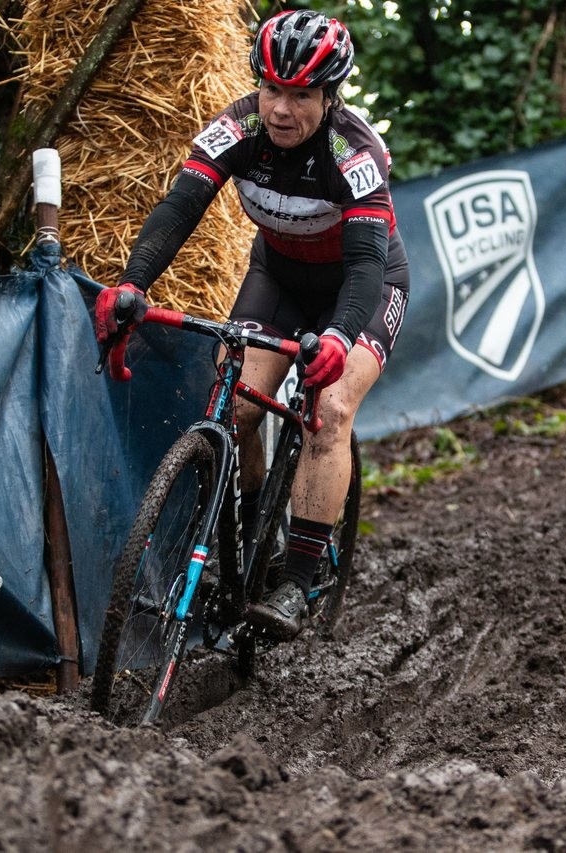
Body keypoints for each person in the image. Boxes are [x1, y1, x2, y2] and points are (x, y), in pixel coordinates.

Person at [94, 9, 409, 640]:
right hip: (280, 279)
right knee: (236, 404)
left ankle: (296, 580)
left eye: (299, 95)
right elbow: (180, 205)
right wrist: (133, 283)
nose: (280, 110)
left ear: (329, 96)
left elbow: (369, 262)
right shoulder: (236, 127)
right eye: (270, 89)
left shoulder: (356, 152)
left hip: (362, 289)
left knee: (330, 410)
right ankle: (248, 531)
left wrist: (342, 337)